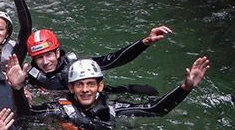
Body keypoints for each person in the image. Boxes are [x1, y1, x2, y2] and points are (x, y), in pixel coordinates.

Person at [11, 56, 211, 130]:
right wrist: (18, 88)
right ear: (71, 89)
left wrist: (185, 87)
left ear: (100, 86)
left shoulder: (114, 109)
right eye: (79, 85)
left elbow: (156, 110)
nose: (86, 89)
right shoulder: (60, 107)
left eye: (91, 84)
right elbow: (27, 113)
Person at [25, 26, 173, 91]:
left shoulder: (77, 66)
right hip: (61, 109)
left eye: (48, 55)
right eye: (39, 58)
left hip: (88, 97)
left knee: (146, 91)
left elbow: (113, 60)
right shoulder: (30, 78)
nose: (45, 62)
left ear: (57, 53)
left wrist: (144, 42)